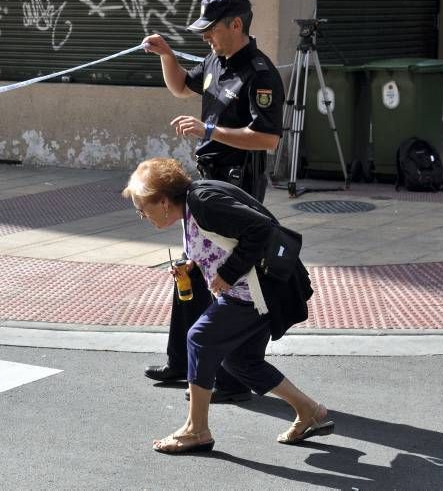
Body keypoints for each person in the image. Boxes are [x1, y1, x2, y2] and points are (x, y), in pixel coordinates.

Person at [122, 157, 333, 454]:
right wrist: (194, 265)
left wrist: (227, 273)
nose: (142, 215)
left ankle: (196, 430)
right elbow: (221, 240)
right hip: (251, 292)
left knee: (199, 338)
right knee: (240, 362)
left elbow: (260, 229)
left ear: (163, 201)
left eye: (143, 208)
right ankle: (309, 410)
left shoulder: (204, 202)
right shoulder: (191, 206)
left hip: (252, 294)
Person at [140, 0, 285, 402]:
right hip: (207, 179)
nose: (206, 38)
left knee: (231, 276)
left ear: (235, 25)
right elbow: (181, 89)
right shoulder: (214, 62)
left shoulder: (261, 73)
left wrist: (210, 131)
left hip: (237, 184)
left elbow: (269, 139)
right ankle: (182, 362)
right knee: (191, 268)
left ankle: (234, 378)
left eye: (211, 30)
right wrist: (168, 54)